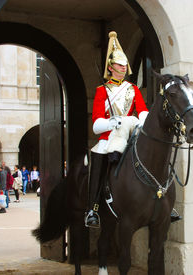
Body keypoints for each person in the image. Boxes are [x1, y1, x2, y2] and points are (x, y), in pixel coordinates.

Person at [84, 31, 149, 228]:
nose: (124, 68)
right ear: (111, 68)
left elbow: (142, 110)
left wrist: (144, 122)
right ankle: (92, 210)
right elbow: (96, 125)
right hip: (108, 136)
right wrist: (112, 122)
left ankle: (159, 200)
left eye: (125, 65)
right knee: (99, 162)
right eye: (120, 65)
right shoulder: (101, 91)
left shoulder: (133, 89)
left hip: (130, 132)